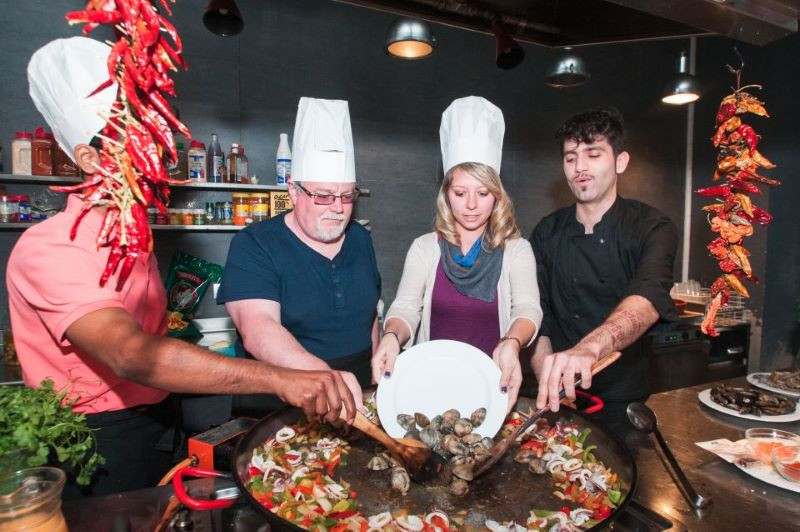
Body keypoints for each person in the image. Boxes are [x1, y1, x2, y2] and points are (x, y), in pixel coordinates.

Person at [8, 37, 356, 498]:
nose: (161, 162)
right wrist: (279, 376)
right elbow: (132, 354)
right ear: (90, 158)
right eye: (139, 146)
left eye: (158, 141)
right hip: (92, 439)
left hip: (157, 417)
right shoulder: (50, 247)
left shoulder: (134, 235)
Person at [372, 96, 543, 409]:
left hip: (492, 386)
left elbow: (528, 309)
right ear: (446, 193)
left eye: (483, 193)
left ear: (498, 196)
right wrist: (392, 336)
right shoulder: (425, 248)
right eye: (460, 193)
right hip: (429, 385)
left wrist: (511, 342)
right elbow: (407, 307)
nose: (472, 205)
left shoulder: (517, 251)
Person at [217, 97, 381, 412]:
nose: (337, 208)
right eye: (323, 195)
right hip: (279, 401)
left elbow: (371, 314)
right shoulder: (255, 244)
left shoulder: (360, 239)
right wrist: (320, 374)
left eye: (347, 195)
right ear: (293, 191)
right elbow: (258, 327)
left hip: (357, 397)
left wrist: (377, 372)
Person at [529, 107, 678, 427]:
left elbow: (646, 301)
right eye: (570, 158)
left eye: (593, 154)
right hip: (558, 398)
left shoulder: (652, 227)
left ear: (620, 161)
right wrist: (548, 378)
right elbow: (538, 315)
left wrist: (588, 350)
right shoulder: (546, 231)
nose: (579, 167)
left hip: (622, 398)